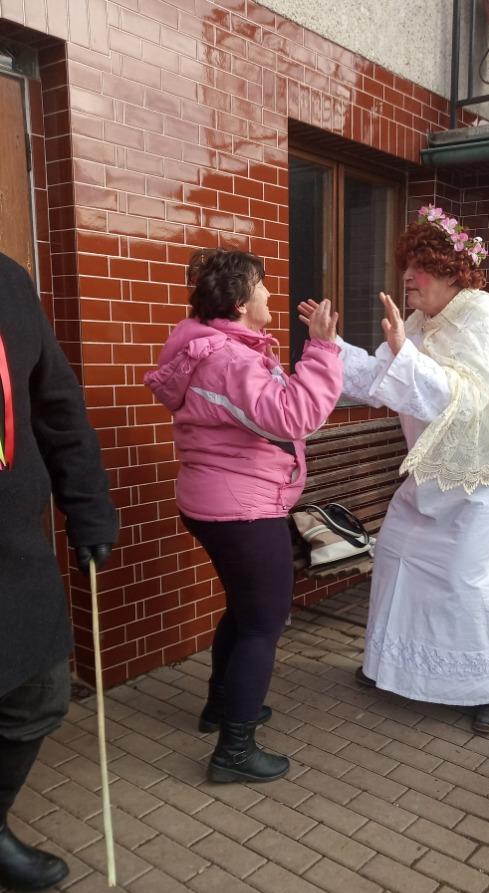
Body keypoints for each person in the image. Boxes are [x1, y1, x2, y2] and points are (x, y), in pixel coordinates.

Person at [300, 206, 489, 734]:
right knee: (396, 554)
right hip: (433, 472)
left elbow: (467, 399)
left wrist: (404, 357)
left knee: (472, 581)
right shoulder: (418, 322)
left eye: (421, 267)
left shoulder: (485, 315)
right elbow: (380, 381)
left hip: (488, 478)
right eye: (407, 266)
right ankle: (393, 665)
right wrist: (330, 346)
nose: (408, 277)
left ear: (453, 272)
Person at [145, 249, 342, 784]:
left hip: (221, 502)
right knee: (262, 624)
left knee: (244, 611)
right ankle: (234, 751)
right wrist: (322, 348)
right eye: (261, 285)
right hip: (242, 510)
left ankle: (221, 707)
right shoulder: (229, 360)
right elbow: (294, 415)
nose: (270, 293)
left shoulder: (218, 348)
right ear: (238, 302)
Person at [0, 251, 117, 893]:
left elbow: (58, 407)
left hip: (10, 549)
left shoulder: (7, 281)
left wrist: (89, 509)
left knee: (38, 690)